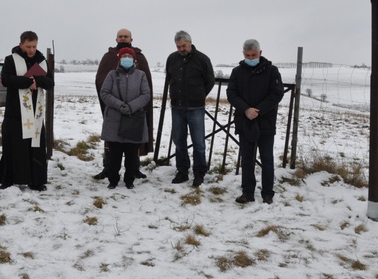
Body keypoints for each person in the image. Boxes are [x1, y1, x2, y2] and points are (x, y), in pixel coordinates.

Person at [0, 31, 54, 191]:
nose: (31, 50)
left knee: (35, 146)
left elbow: (50, 82)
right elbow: (6, 79)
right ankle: (10, 179)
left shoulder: (42, 61)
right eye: (28, 46)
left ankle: (36, 180)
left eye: (34, 46)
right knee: (14, 145)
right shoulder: (11, 60)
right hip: (16, 111)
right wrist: (28, 82)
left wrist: (38, 81)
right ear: (21, 45)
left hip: (35, 112)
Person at [226, 39, 284, 204]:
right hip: (245, 121)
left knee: (266, 158)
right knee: (247, 159)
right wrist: (246, 109)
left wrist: (258, 110)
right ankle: (247, 192)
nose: (251, 58)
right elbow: (232, 93)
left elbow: (276, 93)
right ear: (243, 54)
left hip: (265, 121)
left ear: (260, 53)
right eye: (247, 55)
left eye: (253, 55)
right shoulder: (237, 72)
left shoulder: (272, 71)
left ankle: (267, 193)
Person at [94, 28, 153, 180]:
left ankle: (134, 169)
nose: (123, 38)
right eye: (120, 36)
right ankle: (108, 168)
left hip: (135, 110)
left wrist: (134, 105)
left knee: (133, 138)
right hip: (114, 108)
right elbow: (100, 80)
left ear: (131, 39)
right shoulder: (109, 57)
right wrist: (116, 102)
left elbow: (146, 87)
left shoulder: (139, 56)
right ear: (116, 39)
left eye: (126, 36)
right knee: (112, 138)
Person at [165, 30, 215, 187]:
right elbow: (169, 78)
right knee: (179, 140)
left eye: (183, 46)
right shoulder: (172, 59)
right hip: (177, 107)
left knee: (198, 142)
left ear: (190, 43)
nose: (181, 49)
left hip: (196, 107)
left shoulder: (202, 59)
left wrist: (199, 95)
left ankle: (199, 171)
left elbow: (210, 81)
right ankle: (182, 171)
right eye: (178, 46)